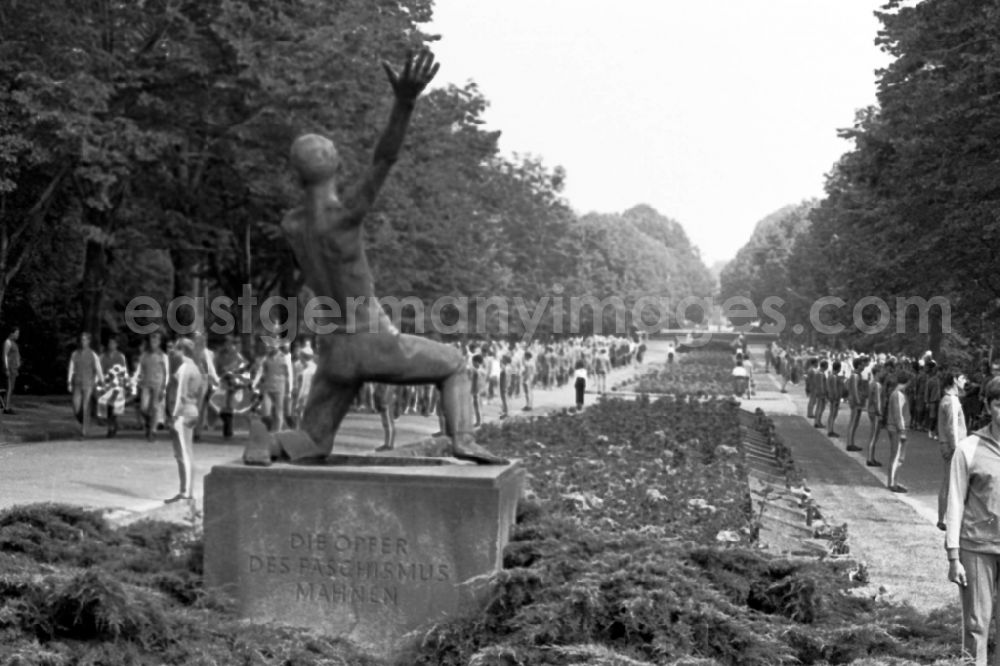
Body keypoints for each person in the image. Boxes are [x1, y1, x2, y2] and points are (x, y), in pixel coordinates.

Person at [945, 376, 1000, 664]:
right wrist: (953, 556)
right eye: (999, 404)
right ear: (989, 407)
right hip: (976, 548)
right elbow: (954, 501)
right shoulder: (968, 448)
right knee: (977, 624)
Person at [165, 337, 205, 503]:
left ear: (183, 351)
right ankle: (185, 490)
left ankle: (186, 492)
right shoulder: (196, 368)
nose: (174, 351)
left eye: (177, 348)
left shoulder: (185, 369)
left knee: (183, 453)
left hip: (183, 411)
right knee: (186, 451)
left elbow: (180, 393)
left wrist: (173, 415)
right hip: (192, 409)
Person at [936, 370, 967, 531]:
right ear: (955, 380)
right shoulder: (952, 400)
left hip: (945, 444)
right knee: (952, 484)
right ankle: (947, 519)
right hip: (953, 445)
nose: (965, 381)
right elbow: (953, 426)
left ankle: (943, 517)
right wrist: (956, 447)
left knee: (947, 482)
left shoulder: (945, 399)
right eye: (962, 378)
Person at [67, 332, 103, 438]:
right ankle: (84, 420)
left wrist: (100, 381)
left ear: (88, 341)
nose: (83, 342)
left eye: (85, 340)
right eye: (82, 340)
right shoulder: (75, 354)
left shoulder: (93, 355)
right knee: (76, 406)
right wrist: (69, 381)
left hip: (88, 384)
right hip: (77, 383)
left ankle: (84, 430)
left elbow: (98, 369)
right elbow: (71, 368)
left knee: (85, 405)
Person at [135, 333, 169, 441]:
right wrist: (136, 380)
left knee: (155, 408)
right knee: (143, 407)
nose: (153, 343)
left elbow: (167, 373)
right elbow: (139, 370)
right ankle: (149, 422)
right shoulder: (144, 355)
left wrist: (164, 388)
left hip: (157, 384)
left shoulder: (163, 356)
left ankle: (153, 431)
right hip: (145, 384)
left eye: (155, 341)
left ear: (159, 342)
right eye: (151, 341)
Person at [886, 370, 912, 493]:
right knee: (896, 456)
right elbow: (898, 414)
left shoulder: (897, 394)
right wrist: (902, 430)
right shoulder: (898, 395)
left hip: (896, 428)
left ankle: (894, 480)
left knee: (897, 456)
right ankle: (892, 483)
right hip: (896, 429)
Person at [846, 357, 868, 452]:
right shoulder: (855, 375)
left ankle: (851, 442)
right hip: (855, 401)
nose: (864, 366)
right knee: (853, 422)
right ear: (858, 365)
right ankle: (849, 443)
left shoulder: (857, 375)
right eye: (862, 364)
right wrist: (858, 400)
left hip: (856, 400)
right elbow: (855, 389)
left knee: (855, 422)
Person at [865, 367, 885, 467]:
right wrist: (880, 413)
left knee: (873, 434)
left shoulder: (871, 383)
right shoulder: (877, 385)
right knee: (874, 436)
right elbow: (878, 400)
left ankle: (871, 457)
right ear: (877, 372)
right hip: (875, 412)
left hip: (871, 410)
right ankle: (870, 458)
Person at [2, 327, 20, 414]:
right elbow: (5, 355)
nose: (17, 335)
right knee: (9, 388)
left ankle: (8, 406)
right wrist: (6, 368)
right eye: (16, 333)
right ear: (11, 333)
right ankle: (6, 408)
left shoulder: (14, 344)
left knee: (12, 388)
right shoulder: (8, 342)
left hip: (14, 369)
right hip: (9, 368)